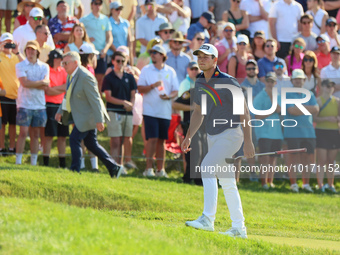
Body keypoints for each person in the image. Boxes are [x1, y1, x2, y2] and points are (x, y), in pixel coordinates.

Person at [182, 43, 255, 238]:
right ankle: (239, 228)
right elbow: (199, 112)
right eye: (199, 56)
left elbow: (245, 113)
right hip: (213, 136)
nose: (202, 59)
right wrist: (189, 136)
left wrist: (248, 142)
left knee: (206, 167)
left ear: (215, 60)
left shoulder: (229, 81)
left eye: (206, 56)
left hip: (231, 134)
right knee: (227, 181)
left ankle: (207, 219)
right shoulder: (199, 81)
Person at [55, 51, 124, 177]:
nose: (63, 65)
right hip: (84, 117)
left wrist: (99, 120)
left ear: (76, 63)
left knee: (74, 139)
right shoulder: (71, 75)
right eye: (63, 63)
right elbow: (68, 95)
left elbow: (96, 99)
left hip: (89, 117)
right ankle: (114, 167)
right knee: (91, 144)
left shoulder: (86, 76)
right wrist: (60, 111)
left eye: (66, 63)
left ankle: (74, 170)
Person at [137, 45, 179, 177]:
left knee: (162, 140)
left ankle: (161, 170)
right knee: (152, 139)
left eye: (156, 52)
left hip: (165, 111)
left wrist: (169, 96)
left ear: (163, 56)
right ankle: (148, 169)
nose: (153, 54)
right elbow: (140, 88)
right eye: (151, 52)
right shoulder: (146, 70)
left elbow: (175, 90)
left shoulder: (170, 71)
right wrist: (152, 86)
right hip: (150, 111)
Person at [283, 69, 319, 193]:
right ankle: (293, 184)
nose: (298, 81)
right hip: (293, 132)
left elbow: (316, 108)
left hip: (308, 132)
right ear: (292, 80)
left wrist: (299, 108)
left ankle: (306, 184)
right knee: (292, 159)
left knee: (307, 159)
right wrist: (307, 108)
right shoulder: (287, 94)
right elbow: (291, 111)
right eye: (296, 79)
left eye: (300, 79)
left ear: (304, 80)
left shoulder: (310, 94)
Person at [15, 41, 49, 166]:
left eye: (33, 49)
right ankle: (18, 161)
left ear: (37, 51)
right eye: (28, 49)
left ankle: (33, 162)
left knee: (35, 134)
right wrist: (39, 83)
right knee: (23, 133)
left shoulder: (44, 66)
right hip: (24, 104)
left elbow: (46, 85)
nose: (30, 51)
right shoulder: (20, 65)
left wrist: (32, 83)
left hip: (39, 105)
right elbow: (24, 83)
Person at [102, 51, 137, 173]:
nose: (120, 63)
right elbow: (108, 97)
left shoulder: (130, 77)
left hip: (127, 112)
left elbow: (133, 94)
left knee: (124, 139)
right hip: (113, 111)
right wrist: (123, 102)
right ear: (113, 61)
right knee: (115, 140)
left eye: (123, 61)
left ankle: (120, 165)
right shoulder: (108, 77)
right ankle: (114, 165)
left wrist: (131, 104)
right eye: (118, 61)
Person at [253, 72, 283, 189]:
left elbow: (280, 110)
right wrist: (272, 110)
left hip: (276, 133)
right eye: (268, 81)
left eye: (272, 81)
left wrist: (272, 97)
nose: (270, 83)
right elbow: (257, 116)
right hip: (264, 132)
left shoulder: (278, 95)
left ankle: (270, 181)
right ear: (265, 82)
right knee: (264, 158)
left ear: (275, 83)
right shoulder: (260, 96)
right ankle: (264, 182)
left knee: (273, 158)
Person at [80, 0, 113, 92]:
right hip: (88, 53)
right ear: (92, 5)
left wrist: (106, 49)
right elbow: (77, 32)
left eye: (100, 4)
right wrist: (86, 39)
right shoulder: (85, 19)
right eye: (95, 3)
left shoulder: (105, 19)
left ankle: (97, 100)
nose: (98, 6)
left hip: (101, 53)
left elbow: (109, 37)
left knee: (100, 79)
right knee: (88, 76)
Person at [43, 49, 68, 168]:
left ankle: (62, 164)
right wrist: (60, 89)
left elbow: (66, 87)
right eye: (59, 59)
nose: (61, 61)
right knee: (49, 135)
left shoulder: (63, 71)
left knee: (62, 136)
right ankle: (45, 163)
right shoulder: (46, 69)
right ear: (55, 59)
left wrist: (55, 89)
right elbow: (48, 90)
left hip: (62, 105)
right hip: (50, 105)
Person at [314, 79, 339, 193]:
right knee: (322, 160)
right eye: (327, 86)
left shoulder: (337, 101)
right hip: (321, 131)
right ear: (323, 87)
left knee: (331, 160)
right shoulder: (318, 101)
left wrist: (337, 119)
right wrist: (327, 119)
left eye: (331, 86)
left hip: (334, 132)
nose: (330, 88)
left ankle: (330, 184)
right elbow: (314, 118)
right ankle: (320, 185)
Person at [0, 33, 22, 156]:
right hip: (2, 95)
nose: (8, 45)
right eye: (5, 42)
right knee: (2, 123)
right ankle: (2, 147)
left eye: (10, 42)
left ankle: (12, 148)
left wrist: (17, 52)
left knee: (13, 124)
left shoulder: (15, 57)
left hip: (15, 96)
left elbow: (26, 65)